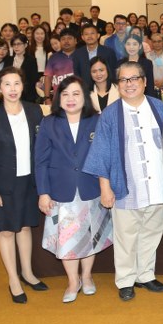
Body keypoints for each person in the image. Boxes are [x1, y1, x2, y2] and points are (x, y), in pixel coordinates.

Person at [83, 61, 163, 301]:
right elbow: (101, 153)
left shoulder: (159, 108)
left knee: (151, 233)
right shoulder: (110, 114)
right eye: (123, 80)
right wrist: (105, 188)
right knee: (126, 237)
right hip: (126, 187)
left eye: (134, 79)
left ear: (144, 81)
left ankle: (145, 275)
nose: (129, 84)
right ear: (117, 84)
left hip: (157, 185)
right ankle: (125, 280)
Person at [35, 76, 110, 303]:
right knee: (67, 238)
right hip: (61, 190)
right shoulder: (49, 123)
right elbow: (40, 161)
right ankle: (72, 281)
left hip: (91, 188)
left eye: (76, 94)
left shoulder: (96, 120)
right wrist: (43, 192)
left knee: (90, 236)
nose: (71, 99)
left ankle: (86, 277)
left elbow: (105, 156)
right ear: (59, 98)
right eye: (65, 94)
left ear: (84, 97)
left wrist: (107, 186)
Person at [0, 68, 46, 304]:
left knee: (25, 227)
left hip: (29, 181)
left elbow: (41, 148)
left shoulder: (35, 110)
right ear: (0, 88)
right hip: (3, 184)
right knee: (6, 230)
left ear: (23, 85)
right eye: (7, 84)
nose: (12, 89)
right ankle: (13, 279)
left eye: (17, 83)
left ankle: (27, 273)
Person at [73, 22, 118, 91]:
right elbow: (77, 74)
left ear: (98, 35)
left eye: (92, 33)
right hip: (85, 90)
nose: (89, 36)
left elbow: (113, 72)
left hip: (106, 89)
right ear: (82, 37)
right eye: (86, 34)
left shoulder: (109, 52)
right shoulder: (77, 54)